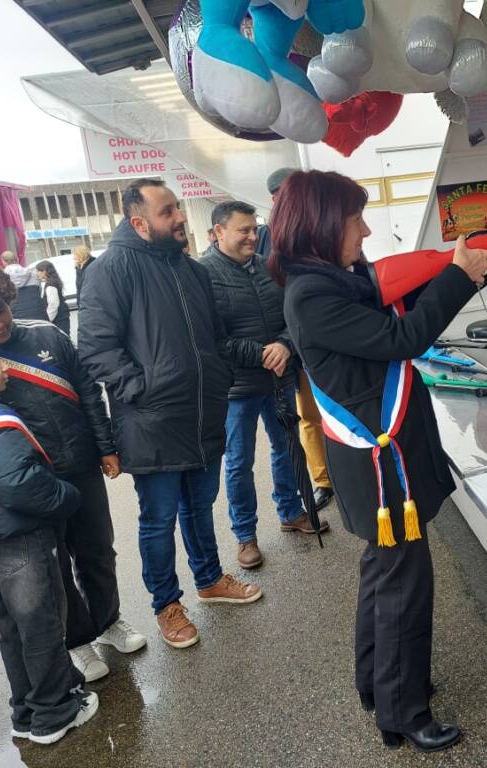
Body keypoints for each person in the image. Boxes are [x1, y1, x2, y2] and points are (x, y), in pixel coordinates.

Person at [271, 170, 487, 752]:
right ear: (321, 224)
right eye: (355, 220)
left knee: (385, 576)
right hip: (381, 462)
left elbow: (401, 305)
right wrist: (459, 273)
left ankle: (379, 684)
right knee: (404, 587)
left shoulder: (332, 278)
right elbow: (404, 338)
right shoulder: (313, 293)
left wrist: (482, 266)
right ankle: (404, 712)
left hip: (379, 457)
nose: (365, 231)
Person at [0, 260, 147, 682]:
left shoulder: (47, 334)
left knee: (98, 549)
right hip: (28, 483)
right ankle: (78, 639)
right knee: (54, 567)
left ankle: (109, 620)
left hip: (82, 465)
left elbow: (87, 391)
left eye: (0, 309)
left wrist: (105, 446)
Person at [78, 177, 261, 650]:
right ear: (139, 223)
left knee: (199, 507)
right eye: (168, 212)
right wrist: (143, 391)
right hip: (151, 421)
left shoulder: (191, 270)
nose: (180, 217)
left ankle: (209, 580)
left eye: (178, 207)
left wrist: (217, 378)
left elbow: (215, 337)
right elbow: (96, 349)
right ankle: (167, 604)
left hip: (202, 414)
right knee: (158, 520)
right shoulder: (110, 269)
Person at [0, 329, 98, 745]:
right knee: (42, 624)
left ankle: (25, 711)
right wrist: (68, 495)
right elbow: (19, 485)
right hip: (21, 540)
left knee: (10, 626)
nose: (4, 367)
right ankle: (55, 712)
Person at [200, 200, 329, 570]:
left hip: (278, 379)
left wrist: (285, 345)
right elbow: (211, 339)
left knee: (287, 448)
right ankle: (246, 535)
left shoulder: (269, 267)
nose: (252, 237)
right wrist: (258, 354)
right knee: (239, 462)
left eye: (254, 229)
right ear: (218, 231)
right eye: (243, 230)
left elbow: (293, 316)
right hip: (236, 389)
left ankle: (291, 511)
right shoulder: (203, 275)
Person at [258, 167, 334, 510]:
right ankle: (323, 480)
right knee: (308, 416)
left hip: (328, 335)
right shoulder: (266, 236)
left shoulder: (321, 227)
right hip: (295, 341)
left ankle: (350, 470)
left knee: (339, 408)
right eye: (279, 196)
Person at [1, 251, 47, 322]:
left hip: (19, 318)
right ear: (17, 259)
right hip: (39, 314)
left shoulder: (2, 278)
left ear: (3, 262)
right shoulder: (33, 274)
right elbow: (40, 292)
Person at [34, 260, 71, 335]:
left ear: (44, 271)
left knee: (61, 339)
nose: (37, 273)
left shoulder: (50, 285)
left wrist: (48, 320)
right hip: (61, 317)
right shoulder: (51, 282)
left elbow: (53, 305)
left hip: (59, 319)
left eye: (38, 271)